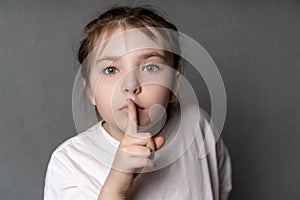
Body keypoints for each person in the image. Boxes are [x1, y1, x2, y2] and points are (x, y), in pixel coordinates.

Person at [44, 6, 232, 200]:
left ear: (173, 86)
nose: (131, 85)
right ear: (90, 90)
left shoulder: (197, 123)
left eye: (150, 67)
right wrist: (116, 184)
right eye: (110, 70)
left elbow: (220, 186)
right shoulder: (69, 163)